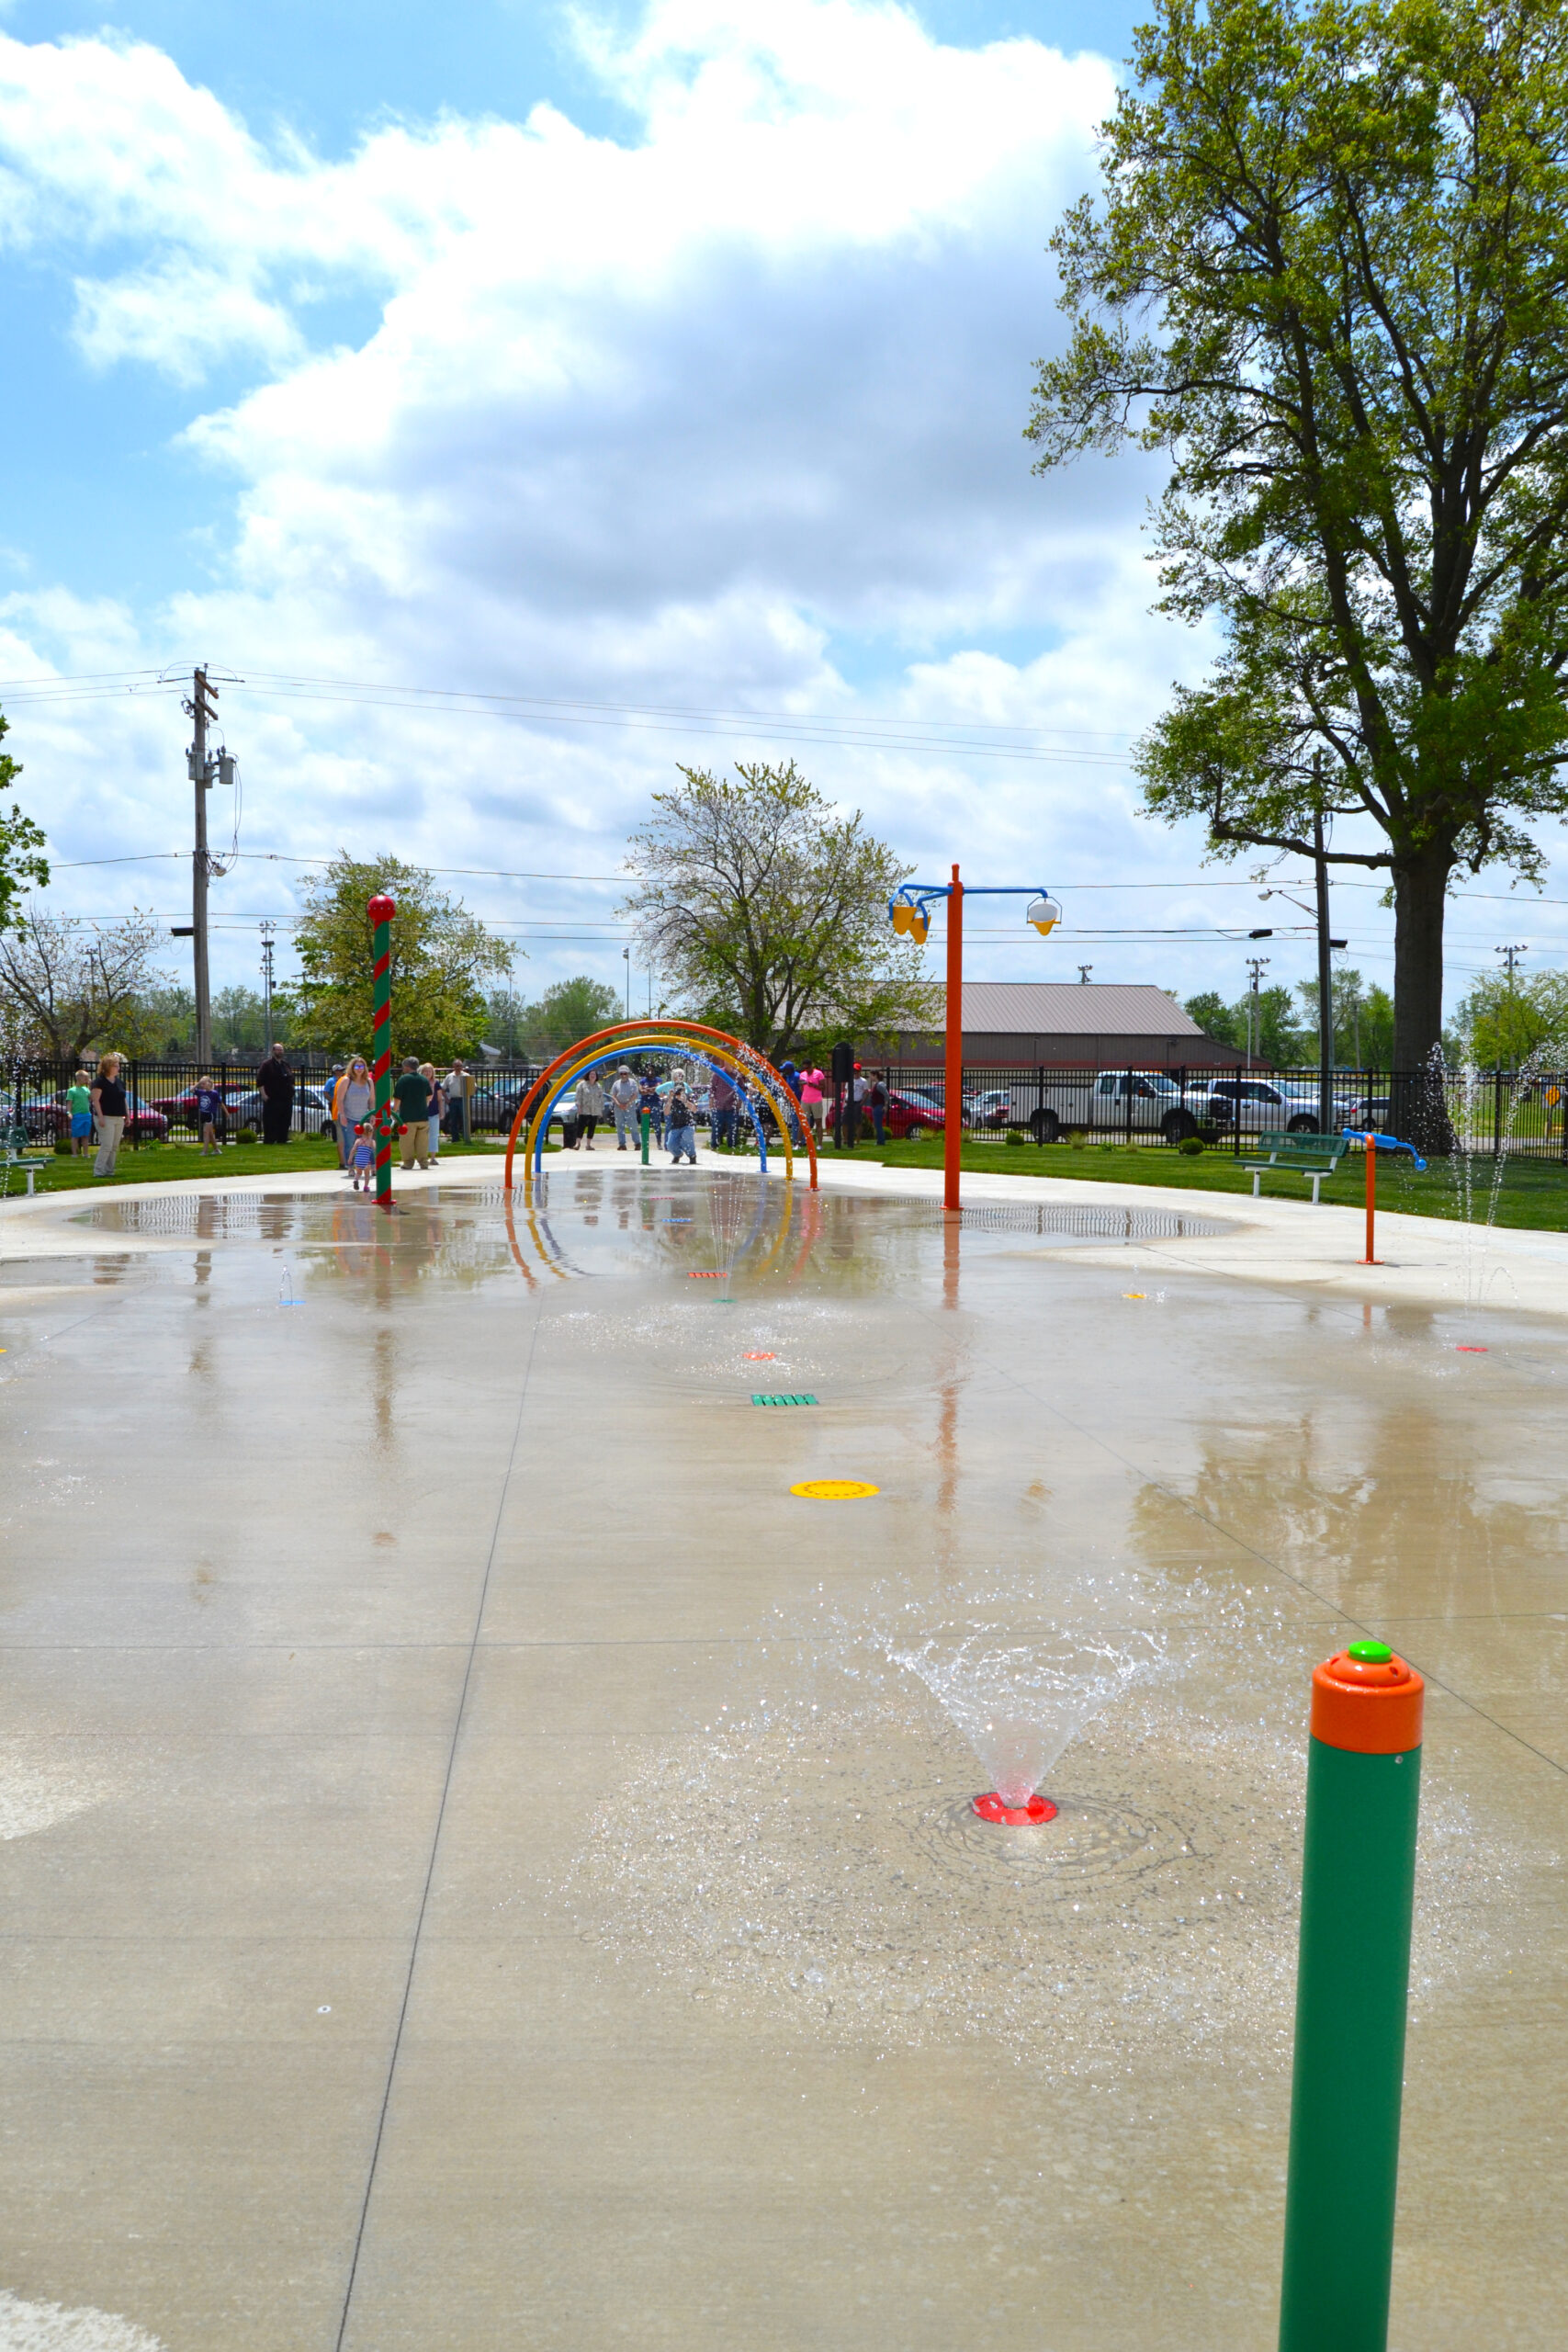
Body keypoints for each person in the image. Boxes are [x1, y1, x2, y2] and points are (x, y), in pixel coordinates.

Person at [90, 1052, 128, 1178]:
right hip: (106, 1117)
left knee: (114, 1146)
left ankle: (109, 1171)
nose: (118, 1068)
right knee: (106, 1145)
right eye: (116, 1066)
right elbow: (95, 1100)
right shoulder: (99, 1082)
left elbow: (123, 1099)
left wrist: (127, 1115)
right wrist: (100, 1117)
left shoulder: (119, 1082)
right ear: (108, 1067)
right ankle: (98, 1171)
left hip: (118, 1117)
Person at [332, 1057, 374, 1166]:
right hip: (349, 1117)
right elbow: (339, 1100)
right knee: (350, 1144)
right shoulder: (346, 1081)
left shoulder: (369, 1082)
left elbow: (372, 1100)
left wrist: (372, 1114)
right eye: (357, 1066)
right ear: (352, 1067)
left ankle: (370, 1166)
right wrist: (342, 1115)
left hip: (365, 1118)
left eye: (361, 1066)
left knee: (368, 1144)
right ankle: (350, 1166)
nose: (359, 1069)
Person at [393, 1057, 432, 1169]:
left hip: (408, 1117)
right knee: (422, 1143)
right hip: (423, 1117)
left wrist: (394, 1113)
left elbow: (397, 1099)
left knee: (407, 1142)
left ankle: (408, 1163)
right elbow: (429, 1096)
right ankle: (424, 1162)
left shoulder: (403, 1079)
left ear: (407, 1066)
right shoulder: (424, 1080)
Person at [255, 1041, 295, 1145]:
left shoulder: (286, 1065)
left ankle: (282, 1139)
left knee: (285, 1120)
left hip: (286, 1098)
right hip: (272, 1098)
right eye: (278, 1050)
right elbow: (260, 1081)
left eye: (281, 1050)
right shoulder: (267, 1065)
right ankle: (270, 1140)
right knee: (271, 1121)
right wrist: (264, 1096)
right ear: (273, 1051)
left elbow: (292, 1080)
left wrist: (292, 1092)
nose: (280, 1052)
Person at [607, 1065, 640, 1150]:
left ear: (628, 1074)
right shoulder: (616, 1083)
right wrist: (619, 1104)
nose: (623, 1075)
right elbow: (613, 1095)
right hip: (618, 1107)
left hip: (630, 1106)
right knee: (619, 1126)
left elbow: (635, 1095)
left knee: (632, 1125)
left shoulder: (632, 1082)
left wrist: (628, 1104)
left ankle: (637, 1143)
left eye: (625, 1073)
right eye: (621, 1074)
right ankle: (622, 1144)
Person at [666, 1080, 697, 1165]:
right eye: (677, 1093)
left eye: (681, 1092)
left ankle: (692, 1156)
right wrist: (670, 1098)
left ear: (684, 1090)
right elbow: (666, 1112)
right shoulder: (672, 1100)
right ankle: (678, 1154)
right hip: (675, 1126)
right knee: (670, 1145)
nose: (679, 1095)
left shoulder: (689, 1098)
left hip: (688, 1125)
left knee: (686, 1137)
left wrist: (685, 1102)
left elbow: (694, 1110)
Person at [444, 1057, 472, 1144]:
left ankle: (466, 1138)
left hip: (463, 1099)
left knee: (465, 1119)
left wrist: (468, 1096)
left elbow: (473, 1086)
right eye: (456, 1066)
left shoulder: (466, 1076)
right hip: (453, 1100)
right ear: (453, 1066)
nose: (458, 1067)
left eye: (460, 1066)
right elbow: (442, 1089)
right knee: (453, 1120)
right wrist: (447, 1099)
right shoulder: (449, 1077)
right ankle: (455, 1139)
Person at [574, 1070, 605, 1149]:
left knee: (592, 1127)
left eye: (594, 1074)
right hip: (584, 1110)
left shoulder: (598, 1086)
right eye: (591, 1074)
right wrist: (579, 1107)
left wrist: (601, 1110)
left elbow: (601, 1099)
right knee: (581, 1127)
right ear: (588, 1075)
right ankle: (578, 1144)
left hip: (594, 1111)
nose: (592, 1076)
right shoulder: (582, 1085)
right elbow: (578, 1097)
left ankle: (588, 1145)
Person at [708, 1065, 738, 1148]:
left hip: (732, 1105)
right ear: (725, 1062)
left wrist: (739, 1102)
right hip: (718, 1105)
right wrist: (711, 1100)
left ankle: (732, 1146)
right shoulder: (718, 1073)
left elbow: (741, 1088)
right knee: (716, 1127)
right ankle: (714, 1145)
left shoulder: (736, 1075)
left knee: (733, 1128)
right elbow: (712, 1088)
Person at [65, 1069, 93, 1156]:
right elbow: (69, 1103)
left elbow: (91, 1098)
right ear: (79, 1078)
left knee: (85, 1135)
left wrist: (91, 1087)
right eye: (85, 1078)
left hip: (87, 1115)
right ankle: (74, 1154)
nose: (87, 1080)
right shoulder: (72, 1091)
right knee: (76, 1136)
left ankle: (86, 1154)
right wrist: (69, 1112)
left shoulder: (86, 1090)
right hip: (77, 1115)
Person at [420, 1064, 444, 1162]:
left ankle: (433, 1157)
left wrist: (441, 1112)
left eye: (430, 1071)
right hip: (422, 1113)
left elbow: (439, 1099)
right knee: (422, 1136)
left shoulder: (436, 1083)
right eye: (426, 1071)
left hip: (434, 1112)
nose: (428, 1073)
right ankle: (423, 1156)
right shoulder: (419, 1083)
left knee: (434, 1135)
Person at [196, 1074, 224, 1157]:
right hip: (203, 1114)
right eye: (202, 1084)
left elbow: (221, 1103)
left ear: (209, 1083)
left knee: (206, 1132)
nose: (202, 1085)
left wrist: (226, 1113)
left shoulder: (214, 1093)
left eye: (204, 1083)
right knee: (211, 1134)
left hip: (210, 1115)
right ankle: (217, 1150)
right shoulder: (201, 1092)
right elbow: (191, 1090)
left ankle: (204, 1151)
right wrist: (198, 1083)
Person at [799, 1063, 826, 1141]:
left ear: (811, 1066)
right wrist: (801, 1085)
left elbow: (823, 1087)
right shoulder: (802, 1074)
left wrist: (814, 1085)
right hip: (805, 1100)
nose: (806, 1070)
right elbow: (802, 1089)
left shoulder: (818, 1073)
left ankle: (820, 1144)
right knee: (803, 1121)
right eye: (805, 1068)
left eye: (807, 1068)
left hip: (816, 1100)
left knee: (818, 1122)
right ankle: (798, 1143)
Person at [348, 1123, 377, 1192]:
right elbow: (376, 1149)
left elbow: (353, 1150)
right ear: (370, 1132)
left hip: (358, 1160)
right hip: (366, 1161)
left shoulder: (358, 1141)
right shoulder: (371, 1142)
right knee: (367, 1175)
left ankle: (356, 1180)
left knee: (358, 1173)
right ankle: (366, 1187)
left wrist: (350, 1158)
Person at [637, 1072, 663, 1145]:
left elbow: (658, 1088)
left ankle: (659, 1142)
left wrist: (648, 1090)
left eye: (651, 1070)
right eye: (648, 1070)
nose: (650, 1072)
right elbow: (641, 1091)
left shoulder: (658, 1080)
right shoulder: (643, 1081)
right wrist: (651, 1090)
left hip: (655, 1103)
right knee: (644, 1123)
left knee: (657, 1123)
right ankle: (645, 1142)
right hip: (644, 1103)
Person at [867, 1070, 887, 1146]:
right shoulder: (876, 1085)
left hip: (879, 1106)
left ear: (875, 1075)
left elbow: (886, 1095)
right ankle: (880, 1140)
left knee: (878, 1124)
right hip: (876, 1106)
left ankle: (881, 1141)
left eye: (871, 1075)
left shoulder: (879, 1085)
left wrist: (885, 1105)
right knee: (877, 1124)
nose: (870, 1077)